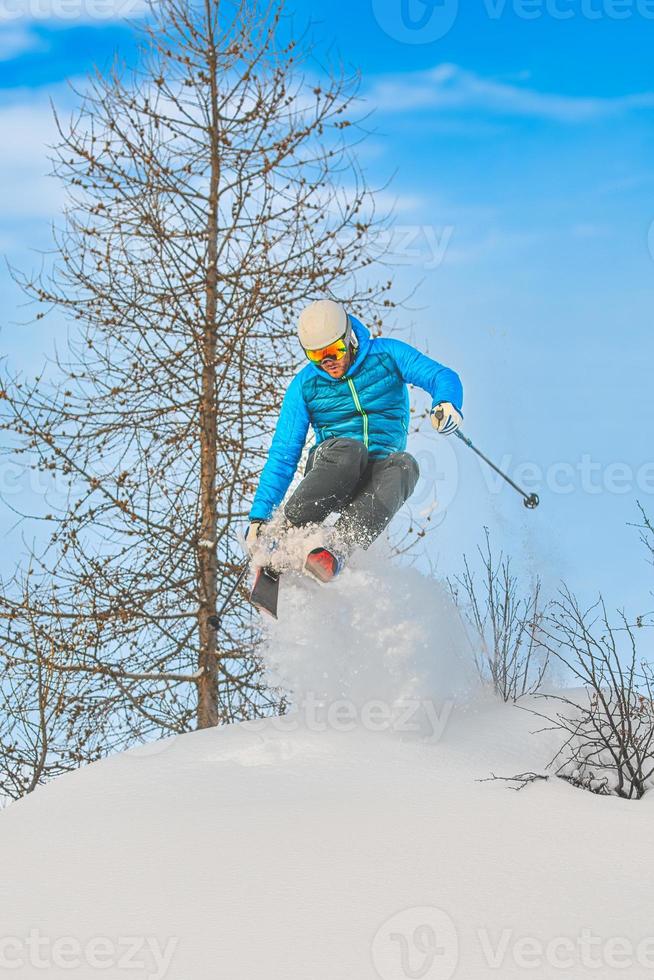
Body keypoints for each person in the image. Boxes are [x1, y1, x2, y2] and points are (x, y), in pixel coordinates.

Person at [246, 299, 463, 579]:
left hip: (376, 477)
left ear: (349, 338)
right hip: (333, 468)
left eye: (334, 351)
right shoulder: (305, 385)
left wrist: (446, 402)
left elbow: (440, 376)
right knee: (351, 451)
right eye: (316, 356)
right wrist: (260, 516)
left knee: (406, 465)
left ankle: (336, 547)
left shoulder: (387, 356)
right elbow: (284, 454)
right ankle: (288, 534)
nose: (328, 363)